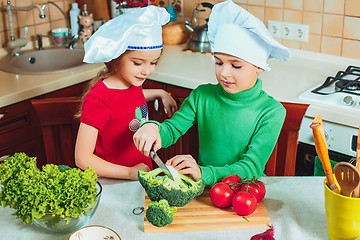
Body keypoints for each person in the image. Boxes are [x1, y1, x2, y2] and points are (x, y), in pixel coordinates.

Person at [133, 0, 291, 186]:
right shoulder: (202, 96)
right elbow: (172, 129)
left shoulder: (272, 112)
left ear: (259, 67)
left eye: (236, 65)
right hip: (203, 189)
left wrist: (204, 172)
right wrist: (154, 129)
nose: (224, 72)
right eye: (218, 62)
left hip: (243, 192)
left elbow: (251, 168)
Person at [75, 6, 177, 180]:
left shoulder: (131, 81)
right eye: (138, 63)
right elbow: (82, 158)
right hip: (116, 180)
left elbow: (128, 100)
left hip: (141, 175)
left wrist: (160, 93)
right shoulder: (98, 98)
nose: (146, 71)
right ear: (116, 57)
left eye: (153, 62)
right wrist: (130, 173)